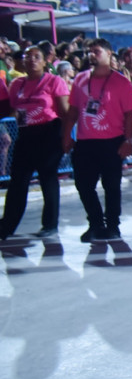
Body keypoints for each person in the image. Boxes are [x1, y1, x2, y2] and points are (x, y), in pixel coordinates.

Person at [61, 38, 132, 242]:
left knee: (111, 185)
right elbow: (73, 111)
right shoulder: (80, 79)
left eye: (96, 51)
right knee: (83, 184)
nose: (91, 55)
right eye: (89, 51)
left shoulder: (121, 82)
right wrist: (67, 135)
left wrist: (128, 140)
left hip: (112, 141)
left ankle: (113, 226)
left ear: (109, 54)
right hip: (86, 142)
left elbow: (130, 114)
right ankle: (95, 223)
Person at [0, 46, 69, 239]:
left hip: (49, 133)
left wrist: (66, 137)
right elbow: (12, 110)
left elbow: (64, 112)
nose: (31, 60)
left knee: (48, 178)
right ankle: (7, 226)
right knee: (18, 181)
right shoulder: (17, 84)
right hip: (26, 134)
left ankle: (50, 224)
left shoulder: (54, 81)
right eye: (27, 56)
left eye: (36, 57)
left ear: (45, 61)